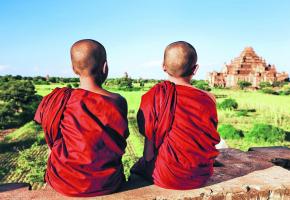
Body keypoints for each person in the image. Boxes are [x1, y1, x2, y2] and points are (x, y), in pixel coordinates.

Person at [34, 39, 129, 197]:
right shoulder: (118, 101)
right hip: (107, 183)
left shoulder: (59, 100)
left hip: (64, 181)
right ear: (105, 67)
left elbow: (50, 133)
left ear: (73, 69)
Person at [131, 41, 220, 189]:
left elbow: (148, 156)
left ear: (163, 66)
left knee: (136, 169)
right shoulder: (209, 98)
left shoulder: (154, 96)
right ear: (195, 69)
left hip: (166, 176)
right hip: (201, 175)